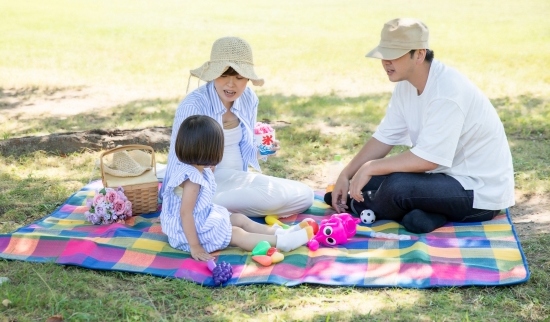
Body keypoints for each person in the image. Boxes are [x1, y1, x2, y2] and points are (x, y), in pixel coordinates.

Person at [327, 18, 515, 233]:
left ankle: (358, 205)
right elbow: (384, 138)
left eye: (393, 55)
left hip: (478, 193)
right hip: (441, 181)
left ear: (419, 54)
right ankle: (425, 214)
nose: (386, 62)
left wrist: (369, 168)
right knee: (375, 181)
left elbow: (429, 160)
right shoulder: (406, 84)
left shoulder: (447, 91)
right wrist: (346, 174)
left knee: (396, 186)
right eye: (383, 55)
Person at [162, 36, 314, 218]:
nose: (230, 84)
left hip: (235, 179)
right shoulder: (193, 105)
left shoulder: (249, 99)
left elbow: (247, 148)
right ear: (213, 75)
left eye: (239, 77)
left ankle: (212, 209)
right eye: (223, 75)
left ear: (248, 78)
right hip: (197, 182)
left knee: (305, 194)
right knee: (273, 197)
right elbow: (180, 160)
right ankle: (191, 204)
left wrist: (262, 150)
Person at [161, 115, 314, 261]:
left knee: (239, 218)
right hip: (189, 234)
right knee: (236, 233)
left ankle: (281, 232)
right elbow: (185, 213)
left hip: (201, 218)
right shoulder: (191, 180)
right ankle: (281, 242)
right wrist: (195, 246)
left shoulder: (196, 168)